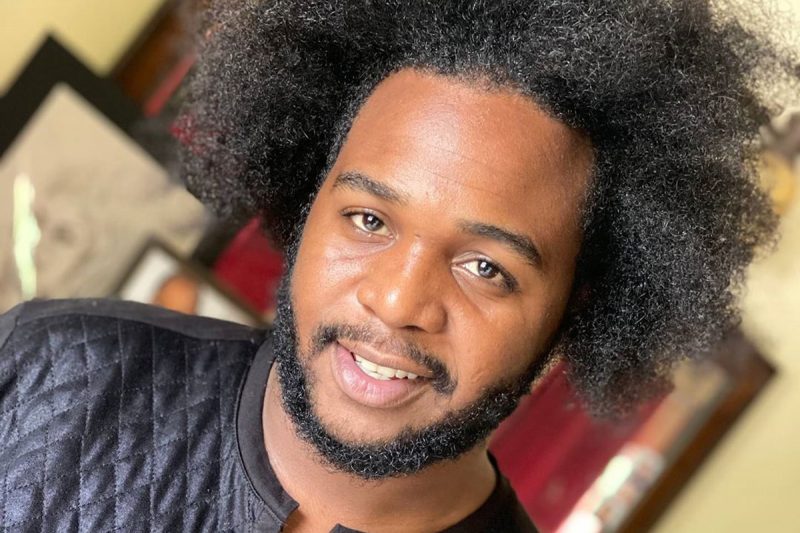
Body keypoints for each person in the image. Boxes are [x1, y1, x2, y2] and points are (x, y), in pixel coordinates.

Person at [0, 1, 794, 531]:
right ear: (309, 195)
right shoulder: (47, 372)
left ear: (577, 306)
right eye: (369, 219)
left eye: (485, 267)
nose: (397, 298)